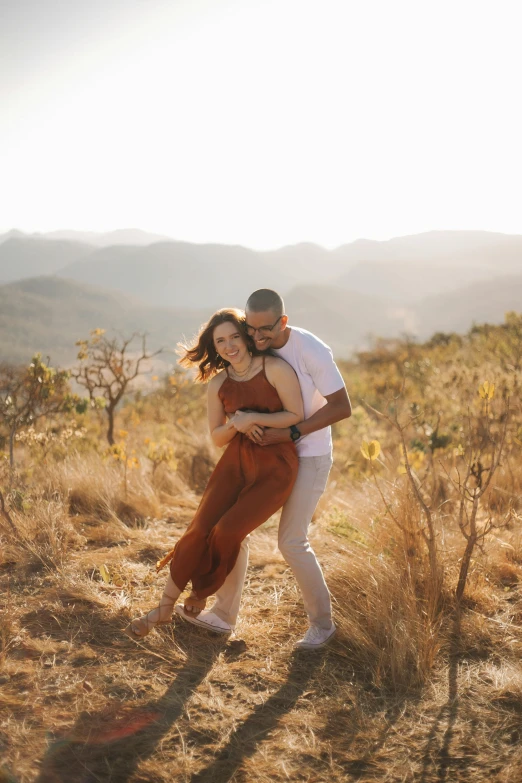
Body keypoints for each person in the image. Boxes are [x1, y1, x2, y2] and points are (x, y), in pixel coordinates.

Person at [175, 289, 351, 650]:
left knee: (290, 540)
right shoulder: (258, 347)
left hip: (309, 454)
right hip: (264, 455)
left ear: (282, 322)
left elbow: (342, 406)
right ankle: (223, 617)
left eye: (264, 331)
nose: (256, 338)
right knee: (230, 528)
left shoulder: (310, 350)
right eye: (250, 330)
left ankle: (323, 625)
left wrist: (291, 432)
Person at [124, 307, 303, 641]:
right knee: (198, 529)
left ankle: (201, 593)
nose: (229, 345)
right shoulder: (219, 383)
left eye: (235, 336)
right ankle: (164, 607)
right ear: (214, 346)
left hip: (275, 466)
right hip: (235, 462)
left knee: (226, 530)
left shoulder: (275, 369)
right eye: (221, 340)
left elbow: (296, 414)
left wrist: (253, 418)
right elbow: (217, 437)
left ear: (247, 336)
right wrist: (236, 423)